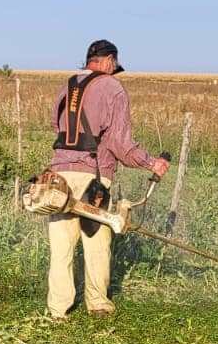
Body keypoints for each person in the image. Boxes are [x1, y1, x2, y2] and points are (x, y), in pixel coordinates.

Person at [46, 39, 169, 317]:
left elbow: (58, 128)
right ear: (110, 61)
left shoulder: (66, 87)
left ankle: (57, 310)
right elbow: (120, 145)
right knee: (96, 242)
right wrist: (153, 163)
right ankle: (98, 304)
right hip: (94, 178)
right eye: (114, 66)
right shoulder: (112, 87)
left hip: (59, 175)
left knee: (62, 245)